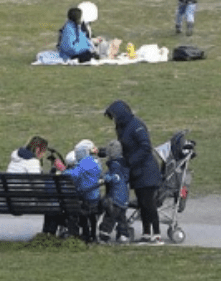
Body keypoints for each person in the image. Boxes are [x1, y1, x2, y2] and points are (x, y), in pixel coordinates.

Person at [104, 100, 162, 243]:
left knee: (149, 204)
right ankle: (146, 233)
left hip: (146, 170)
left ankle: (156, 233)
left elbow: (145, 147)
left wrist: (130, 161)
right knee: (142, 204)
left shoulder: (136, 126)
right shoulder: (122, 127)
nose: (114, 120)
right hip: (136, 170)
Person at [62, 140, 103, 242]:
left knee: (81, 212)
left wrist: (63, 171)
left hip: (85, 196)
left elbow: (74, 174)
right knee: (91, 216)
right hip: (95, 196)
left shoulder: (85, 162)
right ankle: (92, 234)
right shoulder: (95, 161)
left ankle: (85, 233)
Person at [97, 139, 130, 243]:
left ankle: (104, 234)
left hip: (115, 197)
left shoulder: (115, 165)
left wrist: (104, 177)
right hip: (124, 197)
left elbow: (114, 177)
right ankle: (123, 234)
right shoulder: (124, 165)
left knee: (110, 217)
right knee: (121, 217)